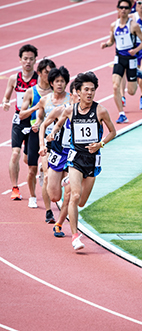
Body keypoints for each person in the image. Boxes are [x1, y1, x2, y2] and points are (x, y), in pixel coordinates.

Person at [47, 72, 116, 250]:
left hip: (92, 160)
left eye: (92, 90)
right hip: (75, 158)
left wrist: (100, 144)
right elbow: (59, 123)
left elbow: (112, 132)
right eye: (86, 90)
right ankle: (75, 236)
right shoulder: (70, 110)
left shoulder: (100, 110)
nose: (89, 93)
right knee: (74, 196)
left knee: (82, 202)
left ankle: (69, 180)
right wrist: (53, 133)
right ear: (78, 91)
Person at [39, 81, 78, 237]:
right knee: (55, 195)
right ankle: (61, 183)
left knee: (69, 195)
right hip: (58, 153)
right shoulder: (60, 111)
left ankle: (59, 224)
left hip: (74, 156)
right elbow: (43, 125)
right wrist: (42, 144)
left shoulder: (86, 115)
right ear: (73, 94)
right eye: (77, 92)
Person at [32, 66, 70, 223]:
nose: (60, 84)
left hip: (66, 145)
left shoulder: (71, 100)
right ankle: (49, 211)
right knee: (47, 176)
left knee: (67, 182)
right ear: (51, 83)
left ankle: (66, 211)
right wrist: (41, 144)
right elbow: (41, 121)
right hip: (49, 145)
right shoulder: (45, 100)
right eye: (57, 81)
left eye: (62, 81)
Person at [2, 44, 38, 200]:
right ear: (20, 60)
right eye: (25, 59)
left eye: (31, 59)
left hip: (34, 121)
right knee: (14, 154)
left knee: (27, 159)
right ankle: (15, 188)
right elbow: (6, 96)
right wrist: (5, 102)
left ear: (35, 60)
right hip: (18, 119)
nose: (28, 62)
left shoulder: (39, 79)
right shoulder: (13, 79)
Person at [101, 0, 142, 124]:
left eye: (126, 8)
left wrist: (135, 50)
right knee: (115, 87)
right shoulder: (113, 25)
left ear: (129, 9)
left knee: (131, 92)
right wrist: (106, 44)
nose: (123, 10)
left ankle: (137, 72)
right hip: (119, 58)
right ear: (117, 9)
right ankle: (122, 114)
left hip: (131, 59)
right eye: (121, 7)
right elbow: (111, 40)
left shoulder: (134, 26)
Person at [19, 59, 56, 208]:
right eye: (47, 72)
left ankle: (33, 197)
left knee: (50, 167)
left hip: (51, 133)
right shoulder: (31, 92)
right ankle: (32, 195)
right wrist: (36, 107)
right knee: (30, 166)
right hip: (33, 132)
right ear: (39, 73)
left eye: (52, 72)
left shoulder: (56, 93)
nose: (50, 75)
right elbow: (21, 114)